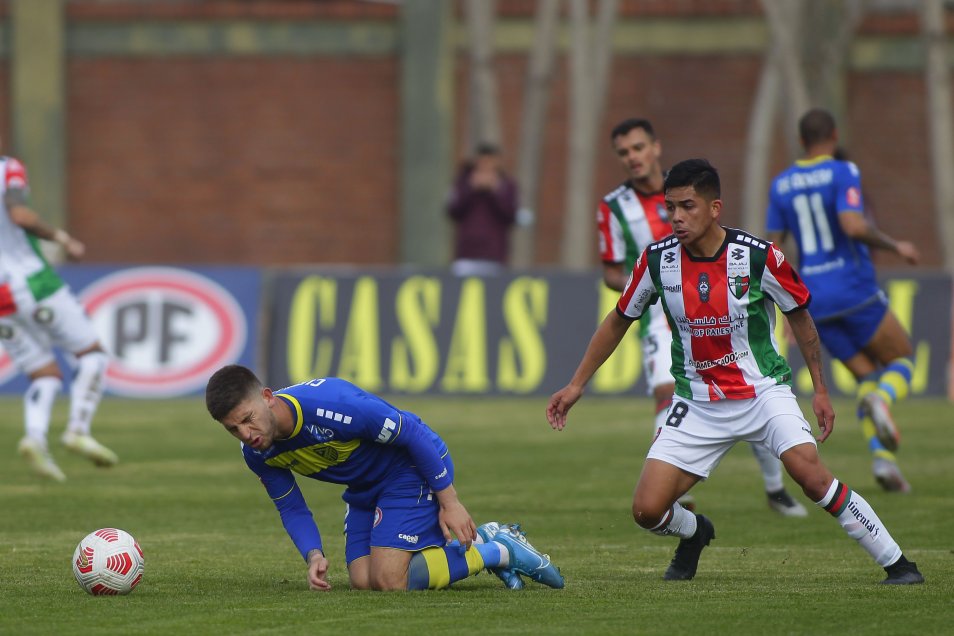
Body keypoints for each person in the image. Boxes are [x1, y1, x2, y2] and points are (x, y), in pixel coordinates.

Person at [547, 158, 923, 585]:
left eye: (687, 206)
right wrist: (576, 384)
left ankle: (899, 565)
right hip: (697, 403)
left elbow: (799, 316)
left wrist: (820, 389)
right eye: (671, 208)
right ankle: (695, 533)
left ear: (714, 208)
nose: (676, 217)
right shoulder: (656, 261)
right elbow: (618, 320)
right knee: (646, 511)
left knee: (812, 477)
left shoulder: (759, 257)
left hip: (763, 393)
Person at [597, 118, 805, 516]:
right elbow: (609, 270)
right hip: (663, 313)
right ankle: (677, 485)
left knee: (753, 386)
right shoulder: (613, 208)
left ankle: (775, 486)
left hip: (724, 303)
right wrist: (646, 283)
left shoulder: (688, 188)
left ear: (656, 148)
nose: (632, 158)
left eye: (638, 148)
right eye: (623, 153)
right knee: (665, 389)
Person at [204, 364, 564, 592]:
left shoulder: (334, 404)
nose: (245, 433)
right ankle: (481, 537)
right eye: (233, 428)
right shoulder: (257, 453)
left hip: (410, 467)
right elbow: (291, 507)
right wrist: (312, 555)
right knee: (363, 581)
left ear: (267, 398)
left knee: (391, 581)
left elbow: (413, 434)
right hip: (364, 489)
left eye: (248, 418)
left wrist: (449, 502)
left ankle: (499, 550)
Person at [766, 109, 920, 493]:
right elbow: (852, 225)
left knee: (865, 376)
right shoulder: (843, 170)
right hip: (853, 288)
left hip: (814, 301)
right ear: (834, 135)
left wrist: (783, 306)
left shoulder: (781, 184)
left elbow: (773, 247)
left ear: (801, 142)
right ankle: (883, 401)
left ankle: (883, 462)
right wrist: (895, 245)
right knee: (902, 359)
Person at [0, 148, 117, 482]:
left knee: (45, 374)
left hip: (0, 301)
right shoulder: (8, 168)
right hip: (32, 283)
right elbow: (20, 215)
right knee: (91, 353)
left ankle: (35, 437)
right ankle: (77, 429)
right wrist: (62, 238)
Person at [446, 142, 518, 277]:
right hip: (466, 253)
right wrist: (470, 189)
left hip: (494, 254)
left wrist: (495, 192)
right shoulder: (463, 182)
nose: (486, 166)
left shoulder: (507, 185)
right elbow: (452, 210)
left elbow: (511, 215)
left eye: (490, 162)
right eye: (482, 162)